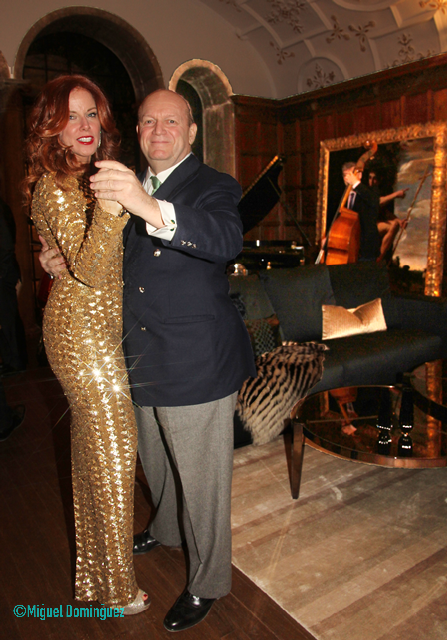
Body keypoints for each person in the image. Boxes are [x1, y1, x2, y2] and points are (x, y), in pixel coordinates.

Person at [44, 88, 256, 632]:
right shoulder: (117, 183)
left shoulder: (213, 184)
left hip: (194, 360)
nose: (158, 130)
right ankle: (165, 531)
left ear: (191, 132)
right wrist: (59, 257)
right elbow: (101, 256)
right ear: (137, 131)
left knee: (202, 484)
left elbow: (225, 238)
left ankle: (208, 581)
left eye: (171, 121)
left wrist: (147, 204)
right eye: (147, 122)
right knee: (157, 466)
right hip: (134, 356)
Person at [25, 74, 149, 614]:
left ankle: (97, 578)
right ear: (51, 128)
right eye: (70, 116)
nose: (83, 125)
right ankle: (116, 589)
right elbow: (93, 269)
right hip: (80, 333)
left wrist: (49, 254)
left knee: (95, 454)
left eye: (91, 113)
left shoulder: (92, 178)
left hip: (102, 328)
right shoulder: (56, 185)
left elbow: (62, 247)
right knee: (118, 451)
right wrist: (114, 210)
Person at [0, 195, 27, 376]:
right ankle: (12, 360)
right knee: (6, 318)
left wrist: (2, 271)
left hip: (4, 272)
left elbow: (6, 243)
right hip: (5, 270)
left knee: (7, 319)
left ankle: (16, 362)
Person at [342, 162, 381, 261]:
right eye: (345, 175)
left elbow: (374, 201)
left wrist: (355, 183)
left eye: (351, 175)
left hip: (366, 249)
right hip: (348, 248)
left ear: (359, 175)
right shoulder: (342, 197)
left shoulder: (370, 191)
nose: (347, 178)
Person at [367, 169, 408, 260]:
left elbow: (385, 213)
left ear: (379, 180)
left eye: (374, 179)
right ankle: (377, 261)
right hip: (363, 227)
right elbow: (378, 202)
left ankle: (378, 259)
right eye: (370, 178)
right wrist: (396, 194)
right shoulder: (365, 191)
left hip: (374, 225)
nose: (371, 181)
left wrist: (399, 221)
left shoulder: (378, 191)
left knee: (394, 225)